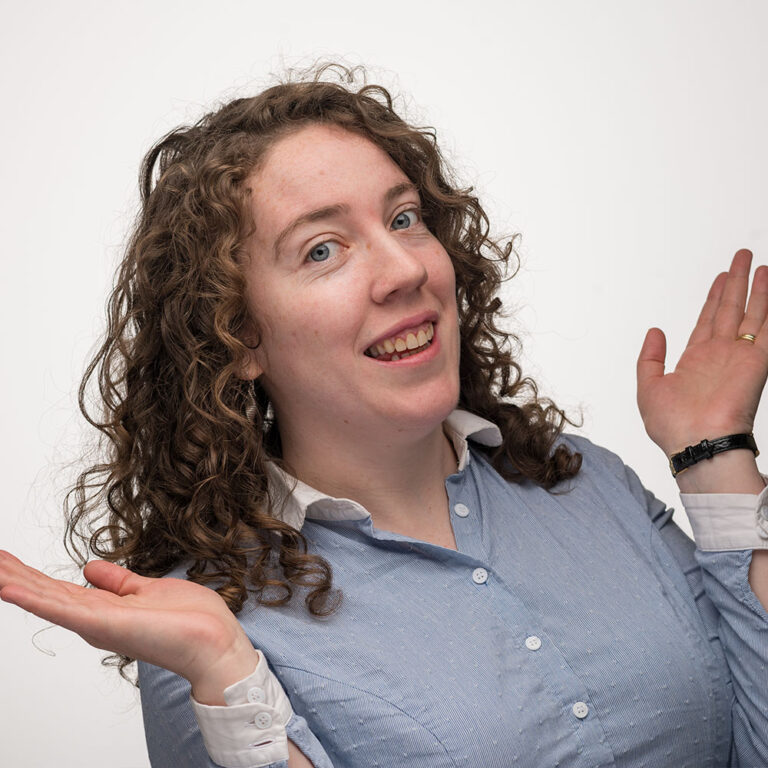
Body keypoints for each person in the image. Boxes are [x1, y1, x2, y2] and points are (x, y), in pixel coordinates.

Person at [1, 64, 767, 768]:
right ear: (238, 337)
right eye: (323, 250)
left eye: (403, 219)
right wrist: (226, 677)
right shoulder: (205, 631)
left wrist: (716, 454)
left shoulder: (588, 481)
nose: (404, 270)